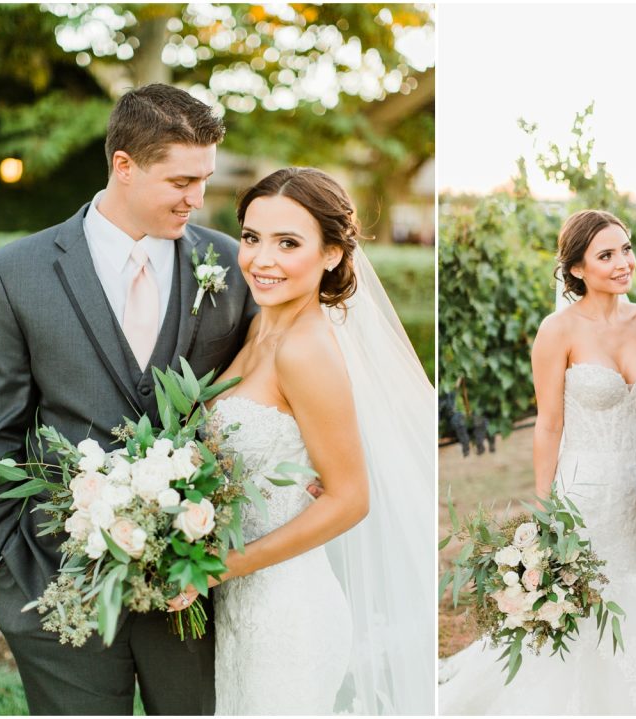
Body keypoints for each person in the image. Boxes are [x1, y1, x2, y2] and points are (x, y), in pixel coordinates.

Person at [0, 83, 256, 714]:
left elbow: (269, 391)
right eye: (181, 181)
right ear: (124, 165)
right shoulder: (21, 271)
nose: (197, 199)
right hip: (61, 581)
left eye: (204, 179)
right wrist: (10, 564)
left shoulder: (231, 266)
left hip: (193, 588)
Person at [438, 210, 636, 715]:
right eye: (606, 255)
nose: (623, 262)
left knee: (634, 585)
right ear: (577, 269)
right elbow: (548, 424)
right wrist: (544, 509)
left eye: (626, 248)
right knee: (586, 595)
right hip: (583, 489)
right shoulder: (556, 330)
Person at [166, 167, 436, 715]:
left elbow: (350, 498)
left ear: (333, 253)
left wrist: (219, 566)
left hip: (288, 617)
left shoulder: (306, 350)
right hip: (245, 607)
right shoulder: (260, 328)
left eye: (288, 243)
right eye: (251, 238)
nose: (262, 260)